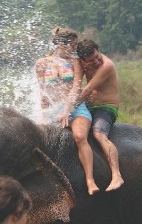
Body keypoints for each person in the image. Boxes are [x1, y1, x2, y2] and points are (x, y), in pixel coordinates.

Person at [35, 27, 100, 195]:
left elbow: (76, 87)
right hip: (53, 109)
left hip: (75, 106)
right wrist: (42, 115)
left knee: (79, 136)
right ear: (62, 44)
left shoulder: (75, 62)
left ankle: (90, 180)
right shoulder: (42, 63)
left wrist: (67, 110)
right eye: (72, 45)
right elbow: (42, 92)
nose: (74, 48)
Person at [76, 39, 124, 192]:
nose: (96, 61)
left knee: (98, 133)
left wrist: (69, 108)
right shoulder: (80, 63)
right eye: (91, 60)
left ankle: (116, 175)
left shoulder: (106, 65)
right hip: (88, 107)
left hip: (107, 107)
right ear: (83, 60)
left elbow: (88, 89)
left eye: (98, 56)